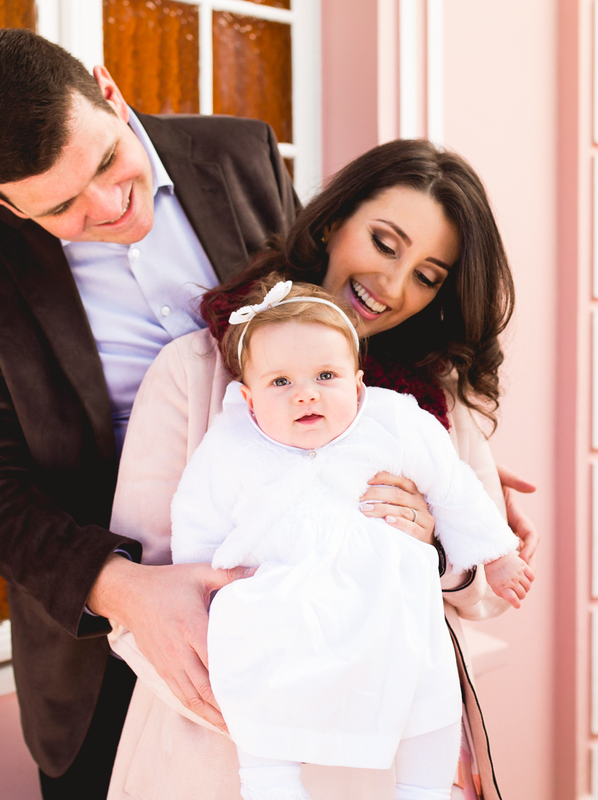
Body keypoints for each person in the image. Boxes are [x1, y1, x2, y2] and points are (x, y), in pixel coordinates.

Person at [0, 28, 298, 798]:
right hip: (101, 663)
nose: (111, 206)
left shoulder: (242, 154)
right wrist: (124, 591)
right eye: (62, 206)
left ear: (108, 91)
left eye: (108, 161)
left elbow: (330, 333)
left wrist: (435, 447)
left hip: (295, 595)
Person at [104, 139, 538, 800]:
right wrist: (271, 717)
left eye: (428, 275)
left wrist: (438, 546)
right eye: (386, 242)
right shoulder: (196, 373)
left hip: (396, 754)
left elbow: (482, 594)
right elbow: (147, 600)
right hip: (229, 753)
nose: (392, 286)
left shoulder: (431, 404)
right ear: (333, 222)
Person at [164, 279, 531, 800]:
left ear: (358, 384)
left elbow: (453, 487)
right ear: (248, 400)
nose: (306, 393)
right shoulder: (231, 445)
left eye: (326, 375)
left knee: (429, 687)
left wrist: (496, 553)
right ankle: (271, 784)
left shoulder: (394, 420)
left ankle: (423, 788)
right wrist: (199, 587)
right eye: (280, 383)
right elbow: (196, 519)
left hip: (387, 596)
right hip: (283, 602)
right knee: (253, 673)